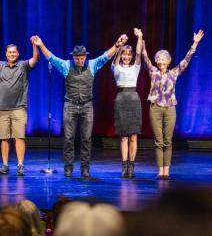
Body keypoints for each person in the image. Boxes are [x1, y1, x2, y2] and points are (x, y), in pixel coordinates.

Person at [34, 34, 127, 178]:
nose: (79, 60)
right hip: (70, 105)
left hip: (87, 106)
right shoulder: (66, 65)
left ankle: (85, 169)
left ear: (85, 57)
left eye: (82, 57)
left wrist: (116, 45)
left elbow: (105, 57)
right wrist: (40, 45)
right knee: (68, 139)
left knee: (86, 139)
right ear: (73, 57)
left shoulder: (92, 65)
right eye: (77, 57)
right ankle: (68, 169)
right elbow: (51, 57)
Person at [141, 29, 204, 180]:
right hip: (155, 108)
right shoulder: (153, 72)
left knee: (168, 140)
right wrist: (141, 43)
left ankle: (166, 171)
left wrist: (194, 44)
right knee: (158, 141)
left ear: (168, 62)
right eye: (159, 59)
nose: (161, 61)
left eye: (164, 59)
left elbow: (186, 61)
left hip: (170, 108)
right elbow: (144, 58)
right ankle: (160, 170)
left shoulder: (174, 73)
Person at [0, 38, 39, 176]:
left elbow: (35, 59)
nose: (12, 54)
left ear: (18, 53)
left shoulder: (23, 65)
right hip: (2, 108)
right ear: (6, 54)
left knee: (19, 137)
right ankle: (5, 165)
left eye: (14, 52)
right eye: (9, 52)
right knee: (4, 138)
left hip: (19, 108)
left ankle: (20, 165)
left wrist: (34, 45)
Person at [111, 28, 143, 178]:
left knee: (133, 136)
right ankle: (124, 166)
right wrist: (120, 45)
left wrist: (139, 37)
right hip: (121, 99)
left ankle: (132, 166)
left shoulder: (136, 67)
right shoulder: (115, 67)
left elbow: (138, 53)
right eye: (125, 54)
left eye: (128, 54)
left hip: (134, 99)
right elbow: (115, 57)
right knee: (123, 136)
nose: (126, 56)